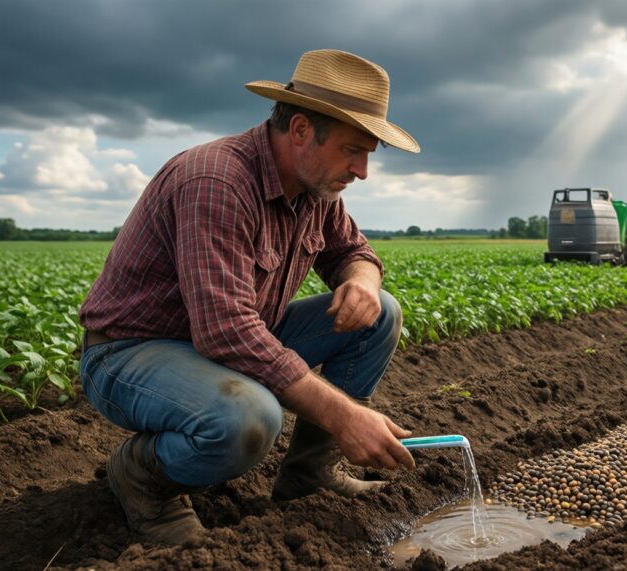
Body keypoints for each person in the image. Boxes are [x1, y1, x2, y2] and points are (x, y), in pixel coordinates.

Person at [78, 49, 420, 546]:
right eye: (352, 149)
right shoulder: (217, 181)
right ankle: (144, 480)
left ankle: (309, 476)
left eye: (367, 153)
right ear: (301, 129)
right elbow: (226, 331)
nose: (362, 169)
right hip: (132, 352)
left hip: (221, 343)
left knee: (380, 313)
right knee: (251, 417)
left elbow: (354, 251)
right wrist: (345, 415)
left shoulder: (315, 189)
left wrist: (363, 281)